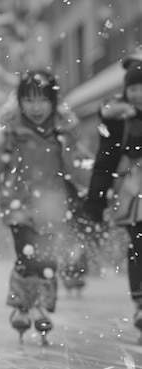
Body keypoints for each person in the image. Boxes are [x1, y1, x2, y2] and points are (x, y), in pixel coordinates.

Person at [0, 70, 93, 344]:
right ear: (20, 102)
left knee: (48, 259)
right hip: (20, 207)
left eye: (42, 100)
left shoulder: (63, 133)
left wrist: (95, 191)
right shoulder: (11, 133)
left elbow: (78, 169)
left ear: (53, 101)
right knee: (28, 257)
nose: (36, 107)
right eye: (29, 100)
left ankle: (39, 305)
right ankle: (22, 305)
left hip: (52, 208)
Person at [82, 62, 142, 339]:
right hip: (133, 190)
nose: (138, 93)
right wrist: (95, 200)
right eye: (133, 87)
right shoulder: (117, 121)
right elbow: (105, 161)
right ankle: (141, 302)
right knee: (139, 243)